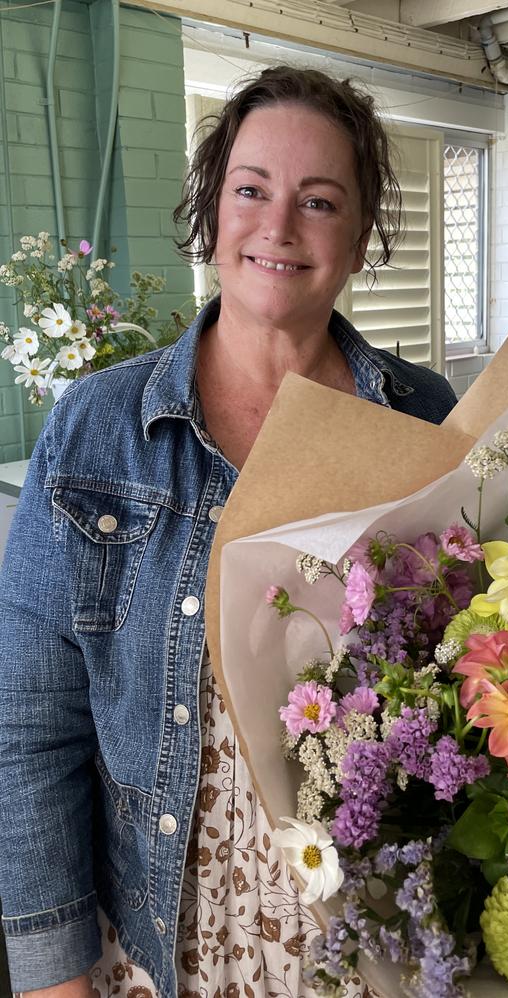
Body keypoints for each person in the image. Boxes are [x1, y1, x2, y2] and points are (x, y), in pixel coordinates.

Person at [0, 66, 456, 997]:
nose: (278, 227)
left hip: (372, 938)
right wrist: (54, 979)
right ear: (212, 210)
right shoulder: (94, 430)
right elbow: (29, 730)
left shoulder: (425, 416)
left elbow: (464, 679)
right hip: (172, 935)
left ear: (362, 235)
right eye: (250, 190)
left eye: (319, 201)